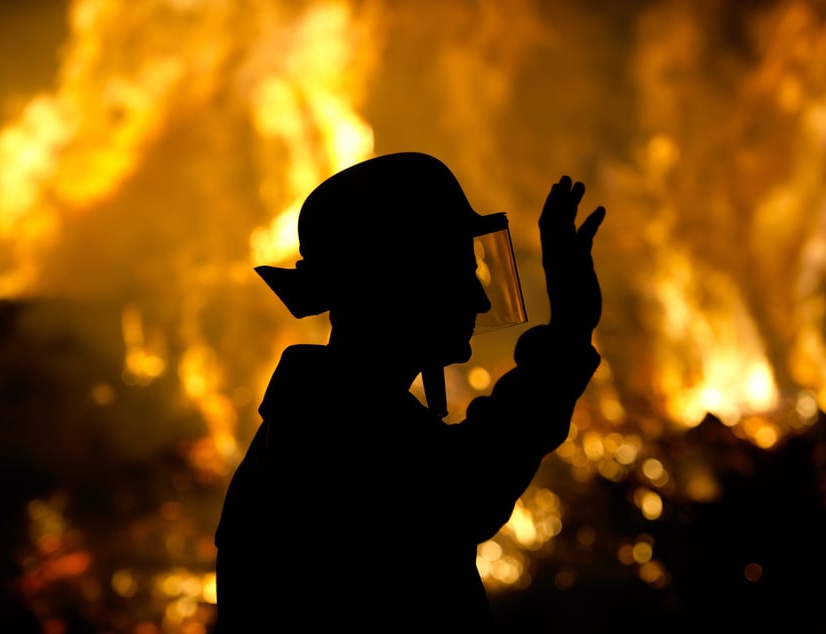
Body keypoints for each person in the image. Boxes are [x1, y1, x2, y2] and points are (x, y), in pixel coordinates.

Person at [213, 152, 605, 631]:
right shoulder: (337, 435)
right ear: (402, 281)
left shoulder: (322, 415)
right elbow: (469, 483)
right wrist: (570, 329)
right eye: (461, 271)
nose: (480, 299)